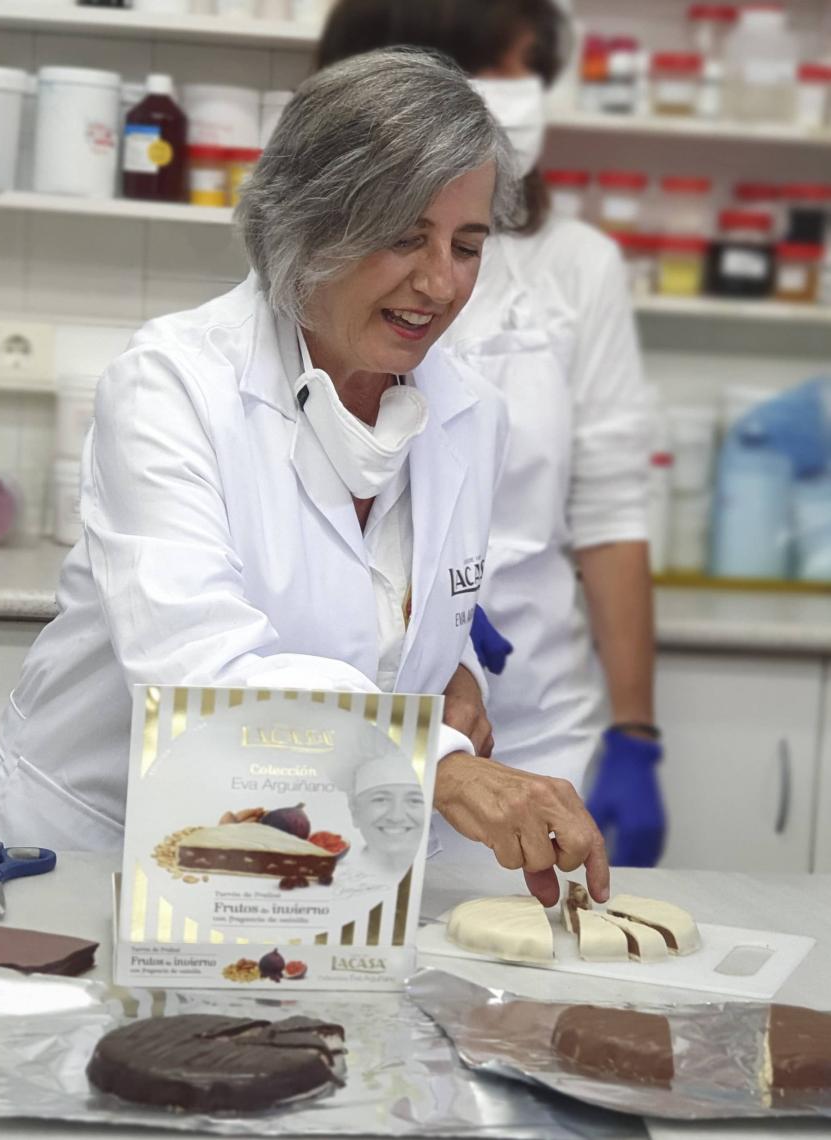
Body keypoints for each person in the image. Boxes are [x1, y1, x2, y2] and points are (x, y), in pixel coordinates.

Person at [0, 50, 608, 906]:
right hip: (93, 854)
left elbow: (398, 601)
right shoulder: (175, 383)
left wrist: (454, 670)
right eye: (402, 238)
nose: (440, 282)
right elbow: (196, 667)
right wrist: (438, 763)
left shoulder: (469, 414)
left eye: (466, 245)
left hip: (310, 864)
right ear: (309, 226)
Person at [318, 0, 666, 868]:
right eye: (491, 68)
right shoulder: (316, 262)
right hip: (354, 710)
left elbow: (612, 501)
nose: (514, 99)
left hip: (537, 710)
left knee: (524, 992)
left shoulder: (574, 263)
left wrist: (635, 736)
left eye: (527, 74)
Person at [348, 756, 426, 879]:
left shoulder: (446, 881)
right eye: (380, 800)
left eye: (414, 800)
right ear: (355, 812)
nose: (396, 817)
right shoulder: (329, 876)